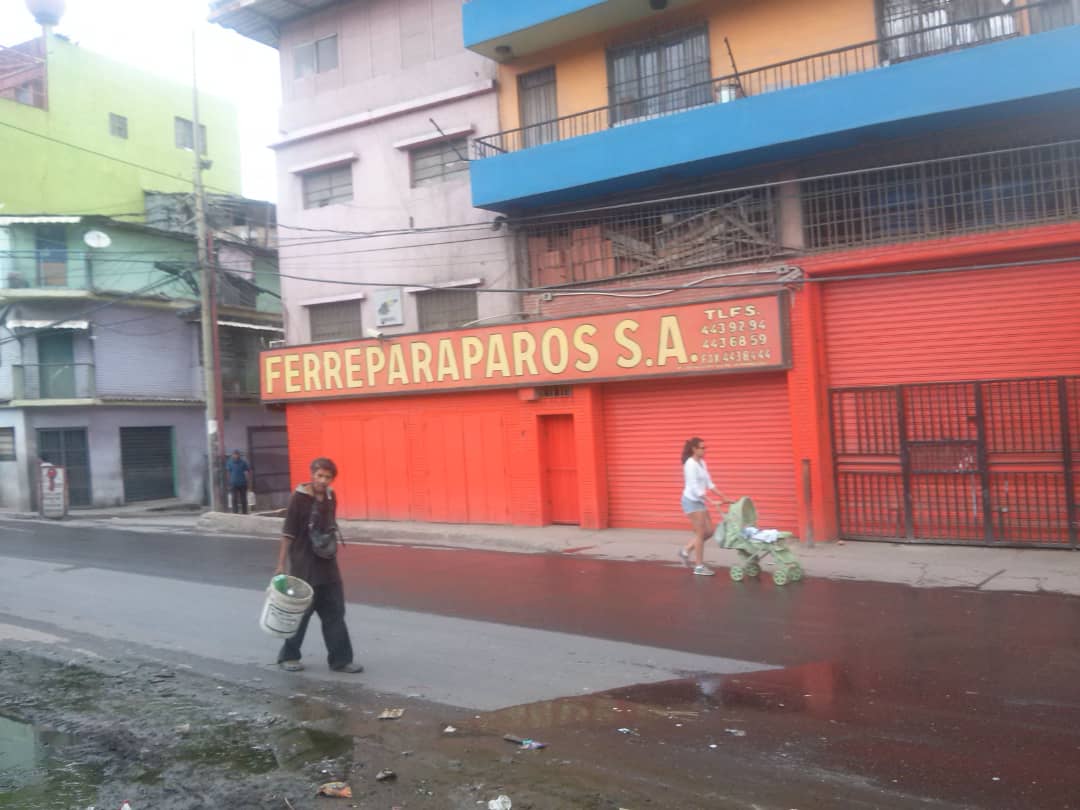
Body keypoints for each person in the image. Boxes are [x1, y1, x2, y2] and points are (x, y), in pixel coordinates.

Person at [275, 457, 363, 674]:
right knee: (301, 613)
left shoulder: (331, 497)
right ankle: (288, 656)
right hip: (304, 565)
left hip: (327, 564)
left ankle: (341, 660)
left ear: (332, 479)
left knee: (335, 612)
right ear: (312, 474)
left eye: (327, 477)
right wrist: (281, 565)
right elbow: (288, 533)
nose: (323, 480)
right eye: (319, 475)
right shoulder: (299, 499)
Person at [679, 437, 725, 576]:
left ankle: (685, 550)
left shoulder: (702, 463)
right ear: (694, 449)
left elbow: (709, 483)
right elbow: (694, 488)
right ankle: (698, 567)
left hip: (700, 501)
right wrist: (711, 501)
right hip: (691, 501)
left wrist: (723, 497)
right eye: (702, 448)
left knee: (709, 531)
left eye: (705, 448)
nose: (704, 450)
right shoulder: (690, 464)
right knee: (700, 534)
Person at [226, 449, 251, 514]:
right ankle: (235, 513)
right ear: (232, 455)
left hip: (243, 483)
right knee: (234, 499)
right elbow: (228, 473)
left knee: (243, 499)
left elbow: (246, 473)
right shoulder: (229, 462)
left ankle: (244, 512)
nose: (236, 456)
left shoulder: (243, 462)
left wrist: (248, 482)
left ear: (239, 455)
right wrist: (229, 483)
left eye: (237, 454)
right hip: (233, 484)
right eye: (234, 454)